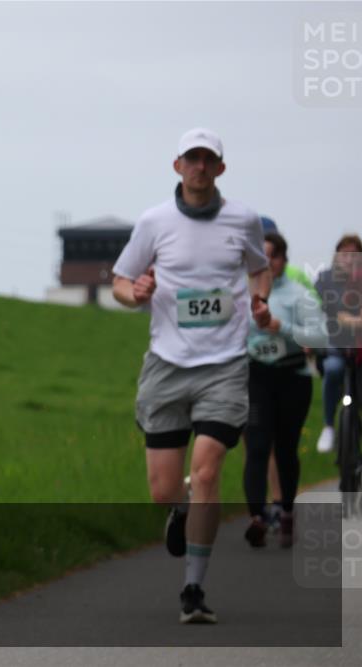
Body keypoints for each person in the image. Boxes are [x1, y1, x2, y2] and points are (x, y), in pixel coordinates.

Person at [112, 127, 272, 624]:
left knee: (206, 471)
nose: (200, 167)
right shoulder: (154, 221)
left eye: (209, 159)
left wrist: (260, 300)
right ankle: (178, 510)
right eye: (192, 158)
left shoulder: (243, 219)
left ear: (220, 168)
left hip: (224, 365)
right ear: (177, 165)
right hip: (167, 363)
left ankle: (193, 590)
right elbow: (120, 281)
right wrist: (133, 293)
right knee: (165, 490)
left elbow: (259, 268)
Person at [243, 232, 327, 548]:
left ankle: (286, 509)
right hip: (255, 376)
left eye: (273, 256)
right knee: (257, 444)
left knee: (286, 447)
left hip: (292, 376)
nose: (267, 263)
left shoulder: (298, 294)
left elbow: (319, 337)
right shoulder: (241, 293)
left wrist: (283, 328)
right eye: (261, 257)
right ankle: (258, 517)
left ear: (283, 259)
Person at [315, 234, 362, 453]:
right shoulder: (325, 279)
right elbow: (326, 308)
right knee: (333, 370)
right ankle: (329, 426)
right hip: (335, 344)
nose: (349, 259)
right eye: (345, 254)